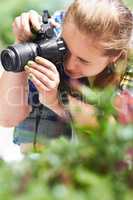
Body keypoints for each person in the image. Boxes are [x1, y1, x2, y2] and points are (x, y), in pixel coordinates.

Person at [0, 0, 133, 153]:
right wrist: (22, 44)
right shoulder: (58, 30)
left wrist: (57, 101)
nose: (69, 64)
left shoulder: (129, 64)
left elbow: (119, 132)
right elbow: (6, 117)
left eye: (83, 60)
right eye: (65, 47)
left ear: (115, 56)